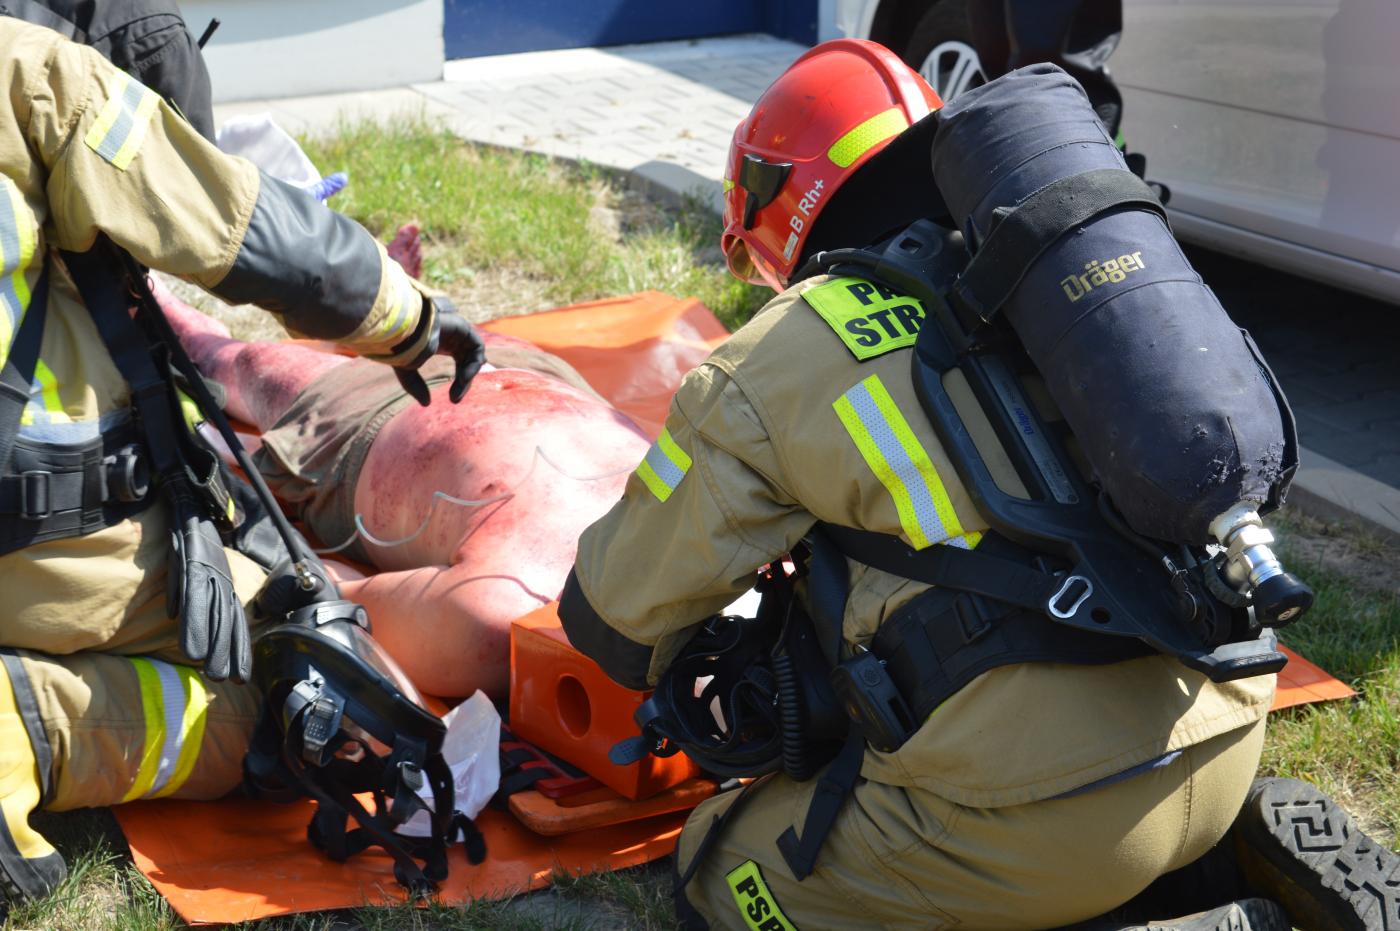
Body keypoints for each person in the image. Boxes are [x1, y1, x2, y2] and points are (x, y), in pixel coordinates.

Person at [558, 40, 1398, 930]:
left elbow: (616, 615)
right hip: (1221, 725)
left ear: (771, 205)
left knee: (719, 873)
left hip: (1025, 814)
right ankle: (1219, 859)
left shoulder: (784, 349)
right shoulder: (1054, 280)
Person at [0, 16, 484, 903]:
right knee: (292, 693)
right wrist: (405, 313)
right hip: (34, 551)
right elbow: (239, 225)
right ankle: (24, 732)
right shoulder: (29, 78)